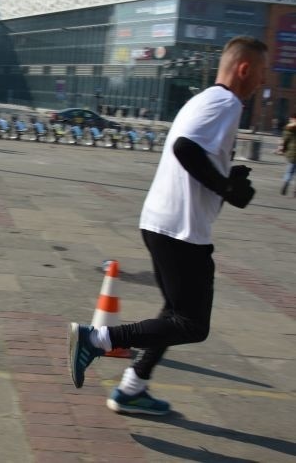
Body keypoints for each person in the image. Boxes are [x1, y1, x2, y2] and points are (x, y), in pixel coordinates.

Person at [68, 35, 266, 415]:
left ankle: (132, 386)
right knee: (192, 324)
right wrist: (227, 186)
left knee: (174, 312)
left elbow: (193, 153)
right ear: (244, 69)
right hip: (182, 230)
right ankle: (97, 339)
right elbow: (185, 149)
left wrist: (228, 174)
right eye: (261, 72)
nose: (263, 81)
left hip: (161, 222)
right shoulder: (227, 102)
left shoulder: (205, 98)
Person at [276, 113, 296, 196]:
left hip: (292, 153)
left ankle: (286, 183)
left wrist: (281, 150)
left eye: (290, 118)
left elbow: (284, 141)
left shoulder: (289, 128)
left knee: (289, 172)